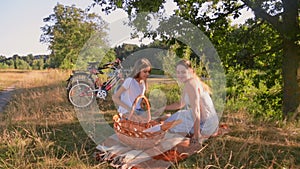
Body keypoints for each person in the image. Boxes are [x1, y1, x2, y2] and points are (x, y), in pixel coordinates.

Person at [156, 59, 219, 144]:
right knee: (179, 114)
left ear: (190, 71)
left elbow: (196, 110)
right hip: (208, 120)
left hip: (205, 123)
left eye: (183, 72)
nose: (180, 75)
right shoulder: (189, 83)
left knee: (171, 126)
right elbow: (180, 104)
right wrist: (164, 107)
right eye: (178, 72)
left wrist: (197, 135)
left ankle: (165, 120)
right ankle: (165, 118)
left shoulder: (191, 85)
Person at [112, 58, 152, 122]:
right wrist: (130, 109)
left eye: (149, 72)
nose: (147, 74)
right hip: (127, 112)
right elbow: (115, 97)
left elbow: (138, 101)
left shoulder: (143, 84)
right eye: (145, 71)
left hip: (137, 111)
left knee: (163, 118)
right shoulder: (130, 81)